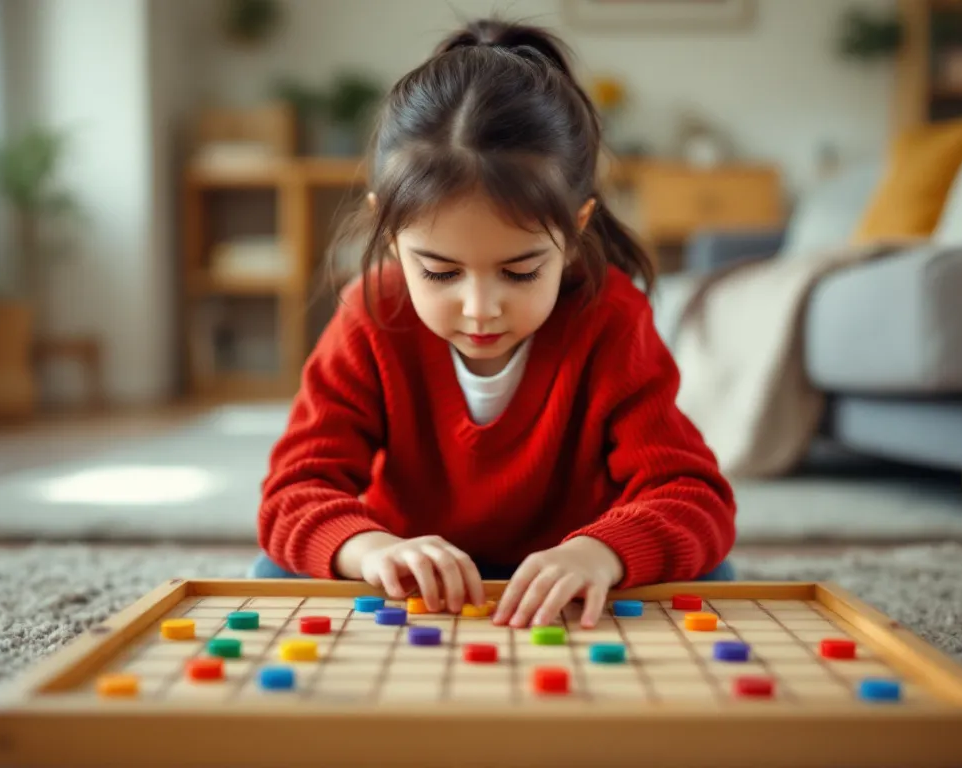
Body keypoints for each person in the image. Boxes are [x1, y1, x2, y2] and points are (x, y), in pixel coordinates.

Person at [250, 17, 737, 629]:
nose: (481, 308)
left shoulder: (611, 316)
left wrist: (599, 553)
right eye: (441, 273)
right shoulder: (371, 313)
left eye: (521, 271)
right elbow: (293, 493)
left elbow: (695, 497)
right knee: (276, 565)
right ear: (389, 230)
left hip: (563, 570)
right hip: (417, 572)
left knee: (711, 571)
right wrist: (372, 549)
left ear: (577, 226)